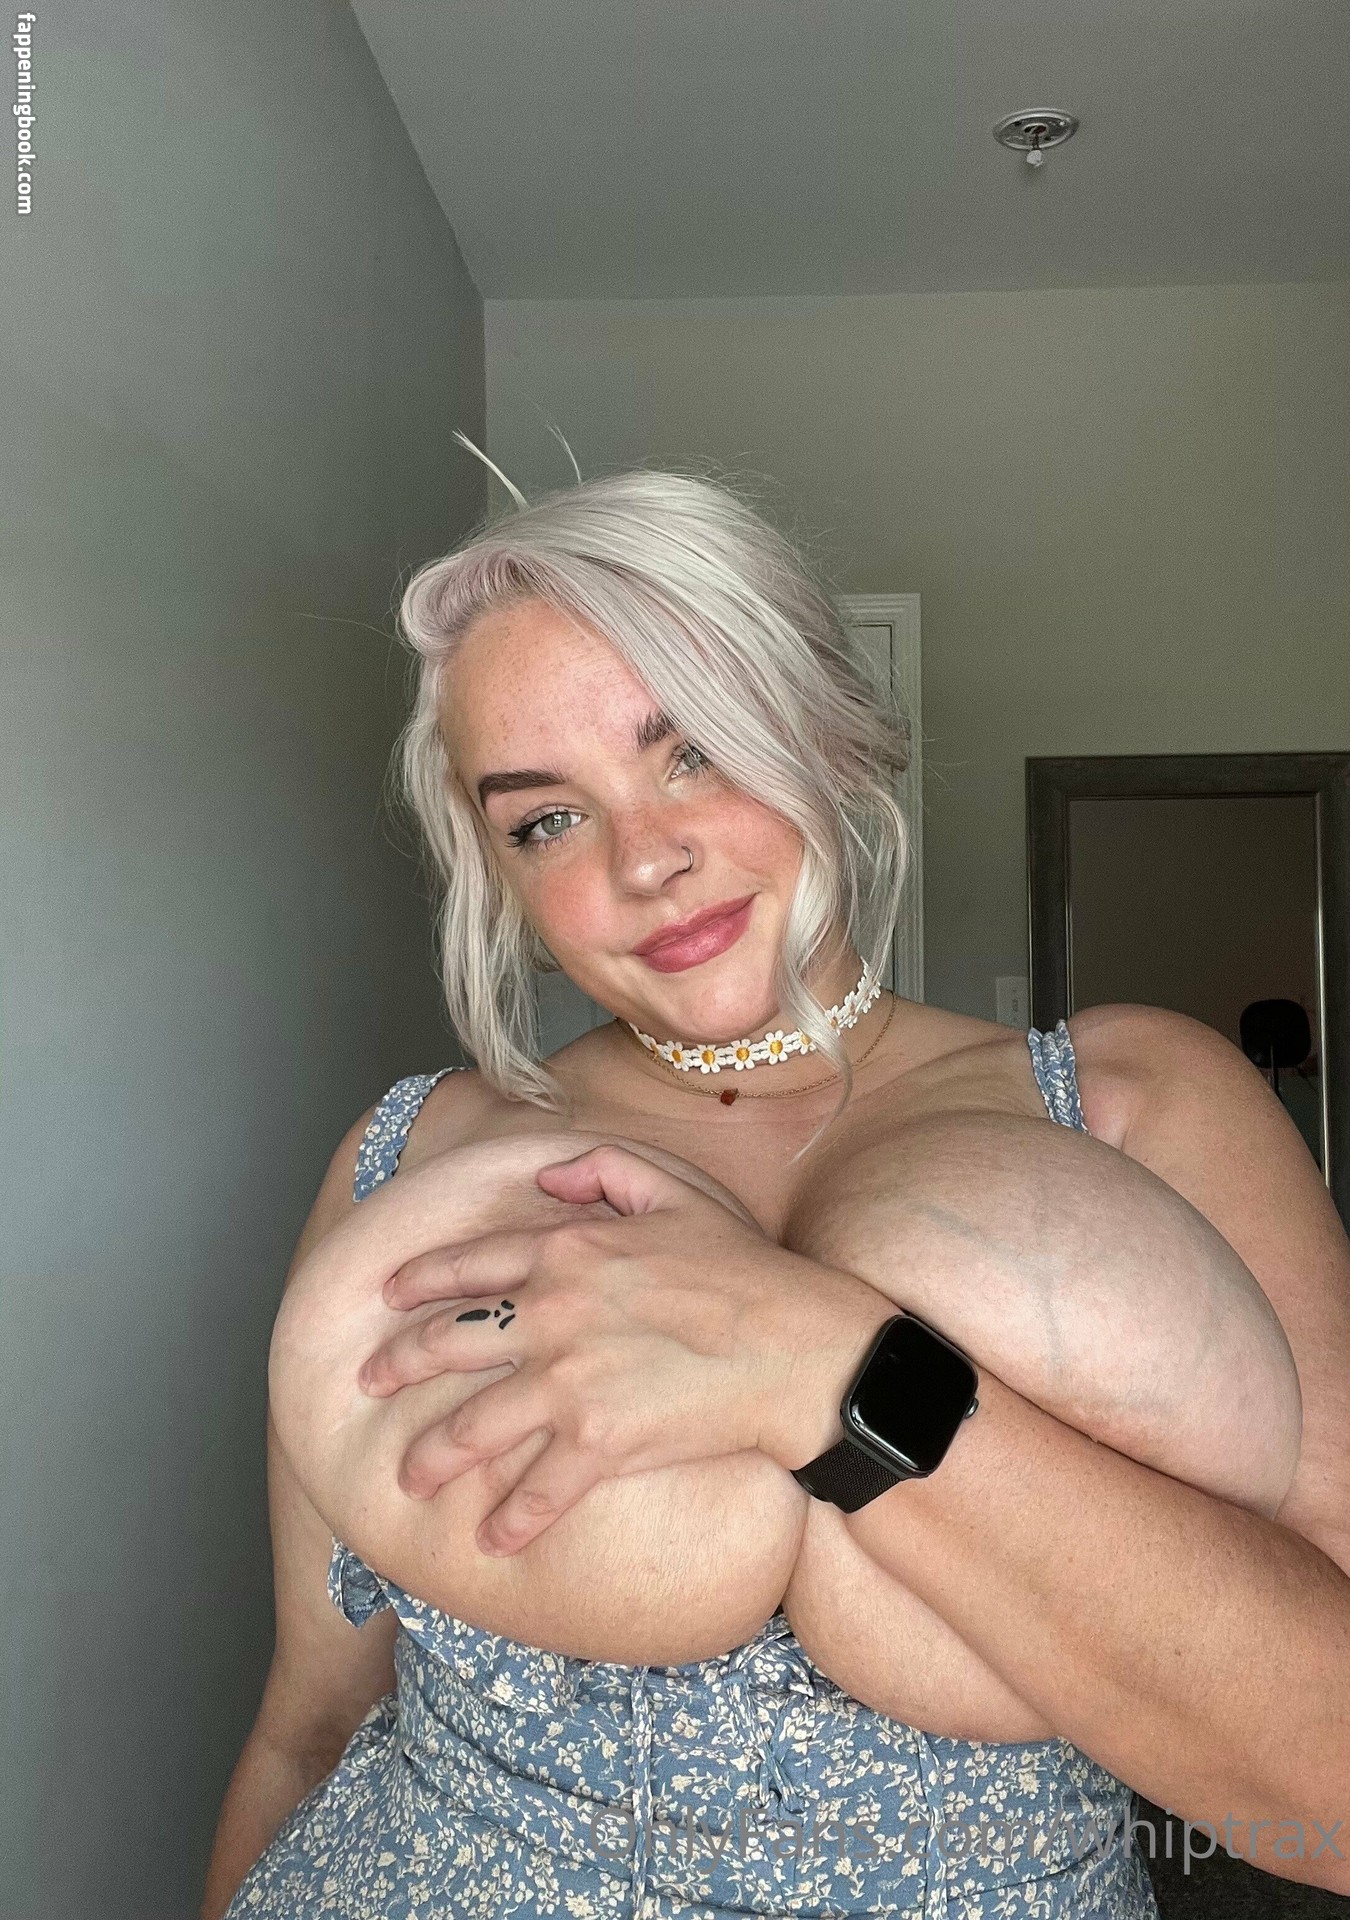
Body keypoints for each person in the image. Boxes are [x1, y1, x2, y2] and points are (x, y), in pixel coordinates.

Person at [201, 467, 1350, 1918]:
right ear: (498, 876)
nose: (646, 858)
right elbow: (310, 1721)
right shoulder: (411, 1159)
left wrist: (819, 1370)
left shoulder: (1134, 1110)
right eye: (546, 820)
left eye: (691, 751)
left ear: (827, 730)